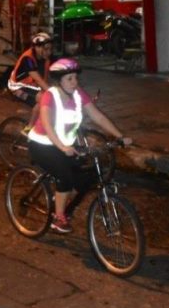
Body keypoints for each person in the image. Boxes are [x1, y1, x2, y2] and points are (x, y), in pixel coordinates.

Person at [27, 58, 131, 233]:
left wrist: (120, 136)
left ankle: (62, 201)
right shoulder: (50, 96)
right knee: (65, 176)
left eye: (76, 78)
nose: (75, 82)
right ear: (59, 81)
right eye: (70, 79)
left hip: (66, 146)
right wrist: (62, 147)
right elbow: (47, 125)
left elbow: (98, 116)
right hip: (42, 145)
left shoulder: (78, 94)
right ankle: (58, 218)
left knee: (88, 177)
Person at [8, 32, 53, 129]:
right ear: (37, 47)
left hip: (32, 86)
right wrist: (53, 92)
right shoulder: (28, 59)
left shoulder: (44, 58)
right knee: (43, 99)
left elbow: (46, 77)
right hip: (18, 86)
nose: (49, 52)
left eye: (50, 49)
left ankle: (39, 127)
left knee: (47, 102)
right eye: (46, 49)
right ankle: (29, 128)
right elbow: (38, 79)